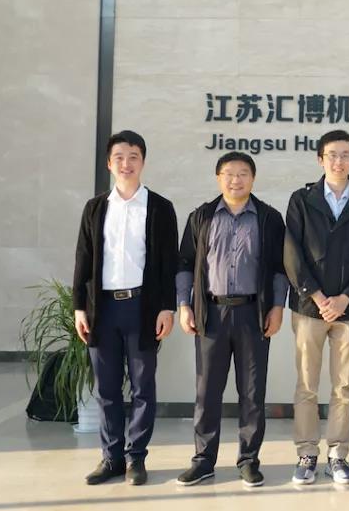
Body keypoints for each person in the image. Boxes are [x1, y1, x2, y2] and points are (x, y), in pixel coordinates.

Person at [175, 151, 289, 488]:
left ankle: (249, 460)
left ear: (253, 178)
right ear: (218, 178)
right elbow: (185, 263)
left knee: (252, 392)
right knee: (207, 390)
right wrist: (184, 305)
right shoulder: (201, 216)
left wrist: (277, 306)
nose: (235, 180)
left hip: (254, 313)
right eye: (228, 173)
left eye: (242, 174)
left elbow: (280, 268)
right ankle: (203, 460)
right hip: (211, 313)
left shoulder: (269, 218)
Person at [73, 130, 179, 486]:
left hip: (142, 307)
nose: (126, 163)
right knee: (106, 388)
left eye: (133, 156)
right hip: (102, 308)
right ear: (109, 163)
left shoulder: (160, 207)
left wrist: (167, 308)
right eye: (119, 157)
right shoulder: (95, 208)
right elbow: (83, 259)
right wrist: (79, 307)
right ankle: (111, 457)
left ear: (143, 162)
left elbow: (168, 263)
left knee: (142, 387)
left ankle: (136, 458)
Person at [283, 130, 349, 485]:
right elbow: (292, 253)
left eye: (345, 155)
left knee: (343, 387)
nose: (338, 161)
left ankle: (338, 455)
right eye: (332, 155)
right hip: (309, 308)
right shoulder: (302, 199)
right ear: (320, 159)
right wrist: (317, 296)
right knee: (307, 385)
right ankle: (307, 453)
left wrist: (345, 297)